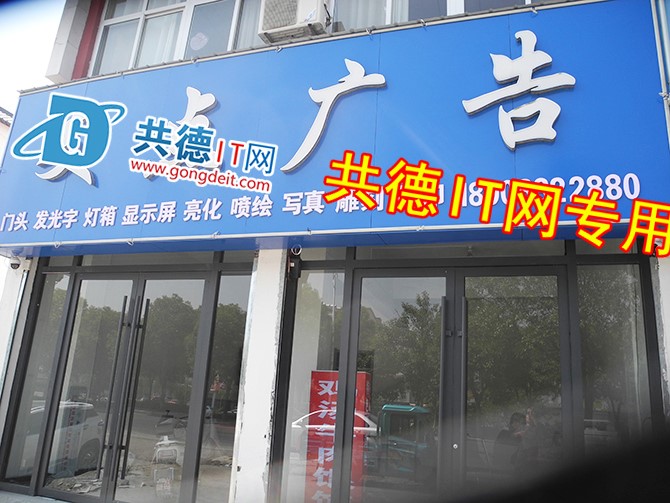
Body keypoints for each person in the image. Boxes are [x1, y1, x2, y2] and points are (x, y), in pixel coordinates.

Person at [493, 409, 538, 475]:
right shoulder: (504, 433)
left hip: (512, 468)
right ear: (513, 422)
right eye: (515, 421)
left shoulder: (520, 437)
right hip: (503, 468)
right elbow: (501, 451)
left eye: (521, 423)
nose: (518, 424)